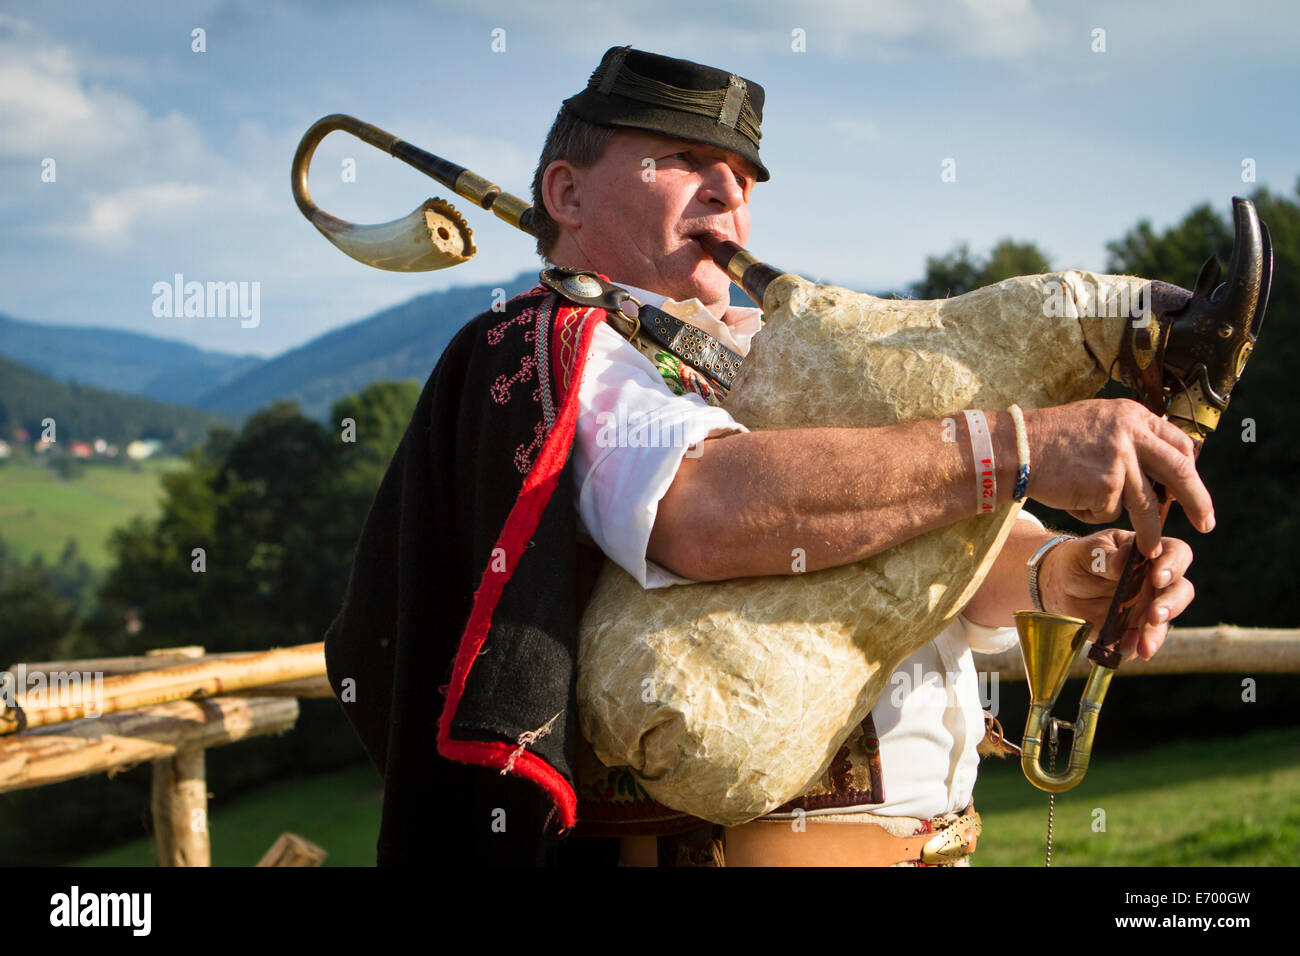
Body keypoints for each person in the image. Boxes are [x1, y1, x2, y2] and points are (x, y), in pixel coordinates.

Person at [322, 46, 1207, 867]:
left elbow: (949, 546)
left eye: (743, 176)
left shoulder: (766, 346)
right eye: (678, 160)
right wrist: (1015, 446)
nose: (725, 192)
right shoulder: (557, 350)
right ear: (567, 193)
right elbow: (704, 513)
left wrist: (1068, 569)